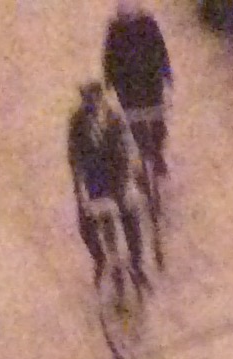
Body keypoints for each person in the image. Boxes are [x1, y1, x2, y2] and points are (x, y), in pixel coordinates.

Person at [67, 81, 148, 294]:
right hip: (96, 182)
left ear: (100, 97)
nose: (91, 102)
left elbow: (128, 142)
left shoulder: (114, 117)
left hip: (118, 177)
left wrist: (134, 165)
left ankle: (137, 265)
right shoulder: (77, 123)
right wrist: (79, 187)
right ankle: (106, 262)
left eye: (93, 97)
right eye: (87, 99)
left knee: (131, 218)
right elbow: (74, 155)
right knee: (95, 224)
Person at [101, 1, 173, 179]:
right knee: (137, 122)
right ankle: (146, 154)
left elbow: (160, 49)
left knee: (157, 121)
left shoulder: (148, 24)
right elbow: (109, 57)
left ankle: (156, 154)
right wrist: (109, 80)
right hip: (128, 85)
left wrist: (166, 73)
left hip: (150, 81)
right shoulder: (115, 30)